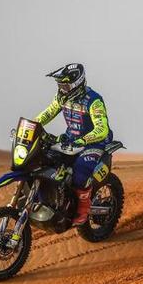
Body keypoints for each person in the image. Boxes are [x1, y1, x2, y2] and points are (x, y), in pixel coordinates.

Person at [35, 63, 113, 226]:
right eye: (60, 85)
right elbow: (48, 113)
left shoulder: (94, 100)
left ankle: (82, 212)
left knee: (80, 171)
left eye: (65, 85)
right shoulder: (62, 97)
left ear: (77, 83)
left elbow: (102, 129)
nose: (62, 88)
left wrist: (83, 141)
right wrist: (32, 125)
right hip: (71, 140)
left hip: (95, 142)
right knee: (45, 160)